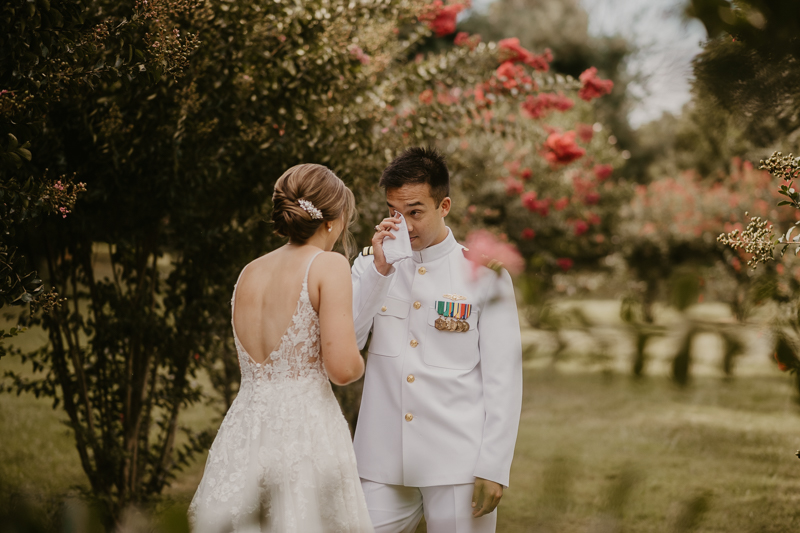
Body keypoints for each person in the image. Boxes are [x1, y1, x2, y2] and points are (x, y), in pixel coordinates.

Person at [189, 164, 374, 533]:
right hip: (305, 431)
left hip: (246, 427)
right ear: (332, 221)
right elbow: (342, 369)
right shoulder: (329, 265)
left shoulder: (249, 272)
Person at [351, 147, 523, 533]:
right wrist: (378, 273)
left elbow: (503, 380)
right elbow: (349, 341)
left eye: (415, 212)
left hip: (456, 462)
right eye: (395, 212)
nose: (405, 225)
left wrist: (493, 466)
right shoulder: (371, 266)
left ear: (443, 205)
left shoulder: (484, 275)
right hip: (382, 460)